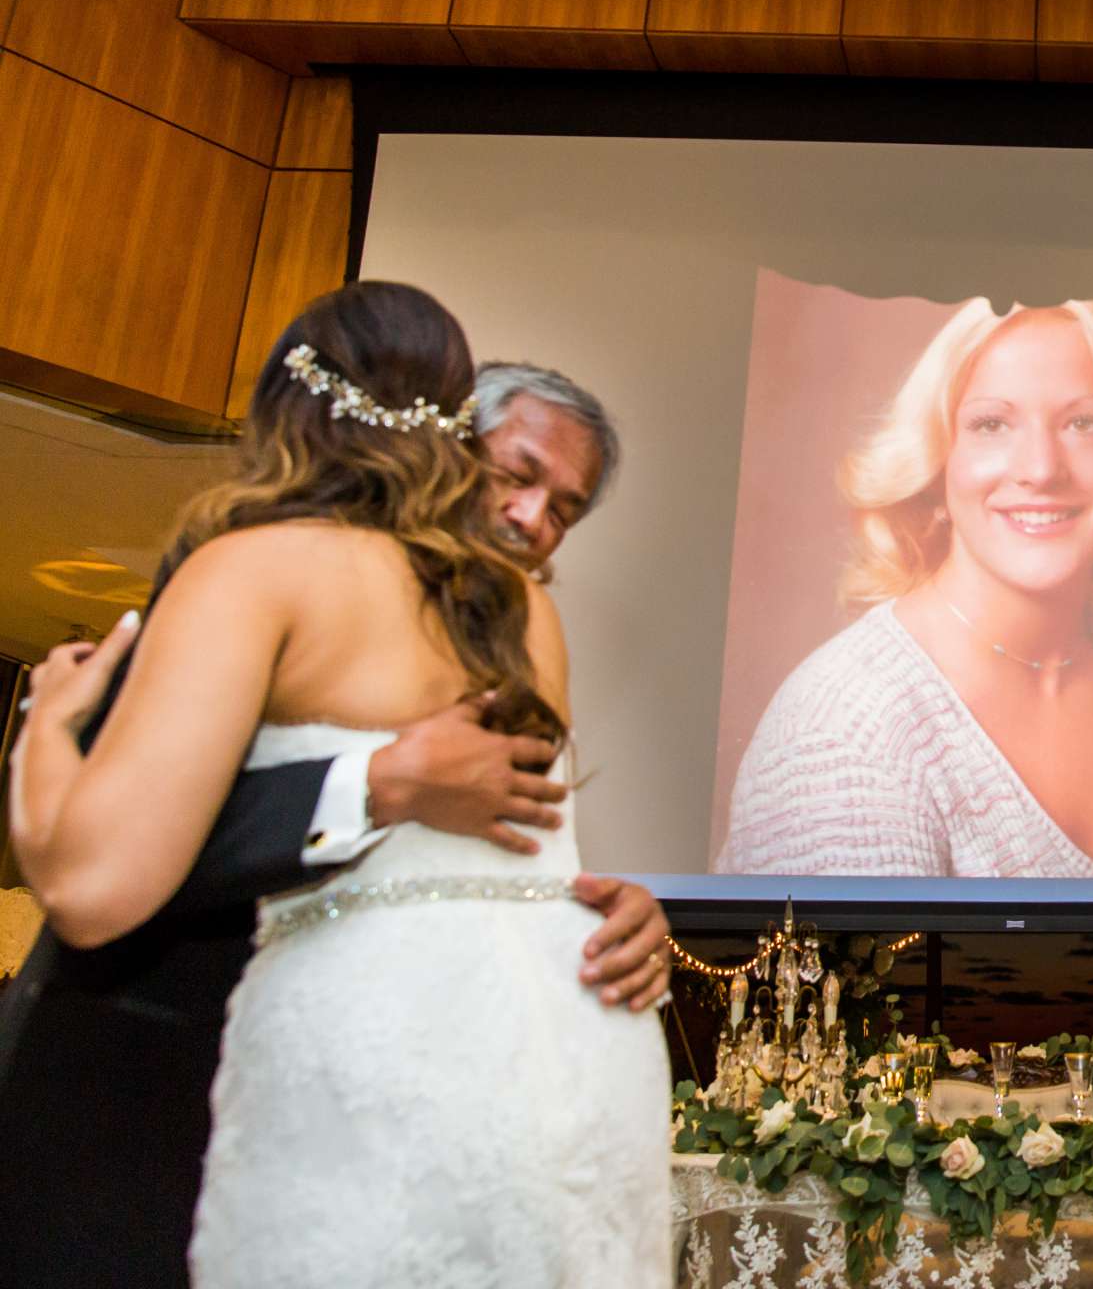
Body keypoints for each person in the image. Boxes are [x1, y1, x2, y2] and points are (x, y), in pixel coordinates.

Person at [6, 284, 667, 1286]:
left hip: (366, 1064)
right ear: (450, 443)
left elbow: (99, 870)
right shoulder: (511, 616)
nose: (533, 521)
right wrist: (373, 782)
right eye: (516, 478)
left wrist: (41, 726)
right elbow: (164, 833)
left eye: (564, 508)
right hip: (144, 1057)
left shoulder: (311, 579)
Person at [717, 298, 1093, 877]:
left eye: (1085, 423)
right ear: (936, 464)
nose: (1041, 468)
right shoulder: (846, 731)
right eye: (991, 424)